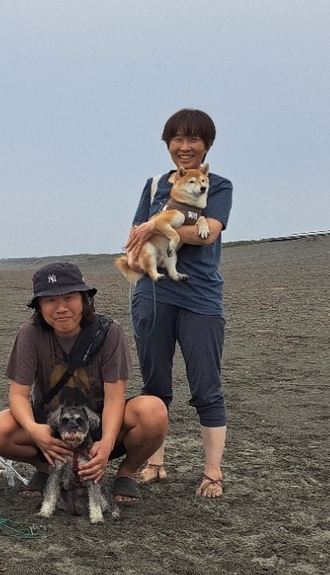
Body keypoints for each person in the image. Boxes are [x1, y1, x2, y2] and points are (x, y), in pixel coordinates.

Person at [0, 262, 169, 505]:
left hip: (98, 423)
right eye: (50, 300)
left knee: (153, 411)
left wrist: (106, 443)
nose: (60, 308)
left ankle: (126, 473)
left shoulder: (109, 332)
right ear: (39, 306)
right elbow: (18, 395)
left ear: (84, 299)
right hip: (52, 427)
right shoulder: (30, 334)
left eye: (69, 297)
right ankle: (47, 469)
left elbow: (114, 396)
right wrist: (33, 429)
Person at [123, 108, 233, 499]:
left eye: (193, 140)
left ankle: (213, 472)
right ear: (167, 144)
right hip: (153, 294)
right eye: (177, 140)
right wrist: (147, 234)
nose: (184, 148)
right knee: (155, 386)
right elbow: (134, 236)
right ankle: (155, 463)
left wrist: (157, 225)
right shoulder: (154, 186)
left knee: (207, 386)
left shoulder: (218, 185)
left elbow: (207, 235)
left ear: (207, 145)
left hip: (201, 295)